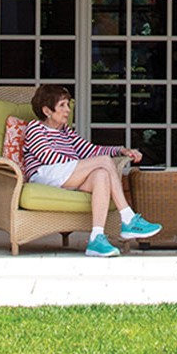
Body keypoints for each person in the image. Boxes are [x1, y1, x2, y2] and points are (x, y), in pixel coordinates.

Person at [23, 84, 162, 258]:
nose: (67, 110)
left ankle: (96, 238)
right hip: (45, 175)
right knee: (102, 163)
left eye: (68, 105)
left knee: (101, 174)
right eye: (62, 106)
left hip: (68, 174)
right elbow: (49, 158)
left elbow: (90, 150)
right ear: (46, 110)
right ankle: (128, 217)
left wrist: (121, 150)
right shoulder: (36, 128)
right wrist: (86, 165)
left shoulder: (66, 131)